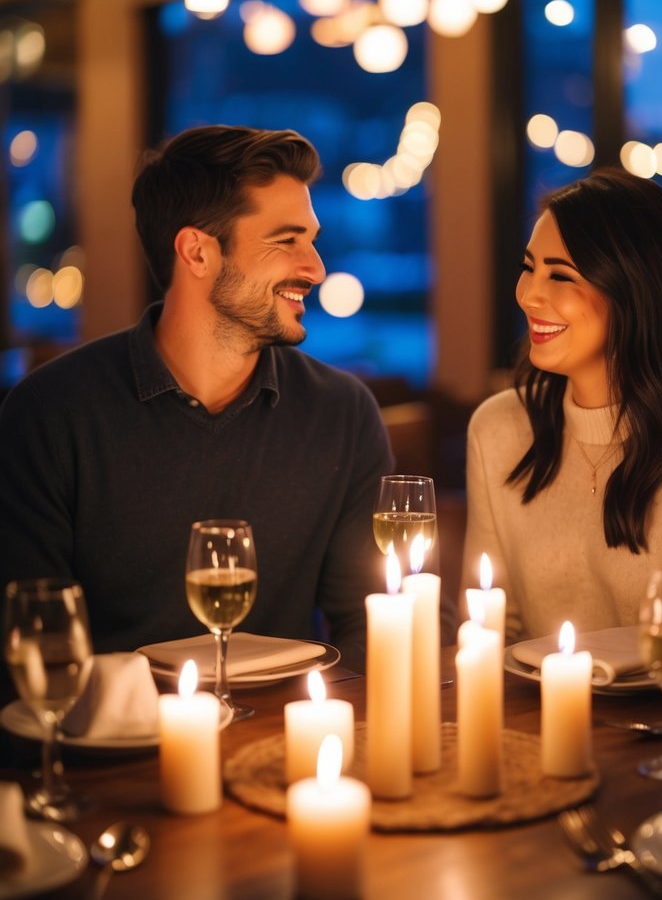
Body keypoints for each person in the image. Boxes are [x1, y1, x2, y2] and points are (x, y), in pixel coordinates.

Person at [0, 125, 393, 670]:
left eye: (313, 239)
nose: (315, 267)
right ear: (197, 252)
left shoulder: (342, 414)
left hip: (285, 742)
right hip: (113, 749)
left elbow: (374, 631)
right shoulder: (49, 414)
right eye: (287, 240)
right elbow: (31, 654)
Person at [461, 168, 662, 673]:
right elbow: (496, 635)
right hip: (540, 728)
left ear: (634, 291)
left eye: (561, 275)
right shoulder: (497, 429)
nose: (529, 295)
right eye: (529, 268)